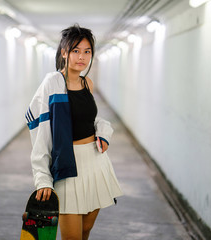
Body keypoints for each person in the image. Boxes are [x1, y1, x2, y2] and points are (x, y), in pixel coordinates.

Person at [25, 24, 123, 240]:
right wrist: (42, 178)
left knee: (85, 231)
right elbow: (40, 131)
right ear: (64, 52)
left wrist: (103, 133)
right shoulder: (52, 83)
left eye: (87, 51)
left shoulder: (87, 83)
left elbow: (90, 119)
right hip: (68, 167)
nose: (82, 57)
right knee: (72, 237)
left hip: (96, 163)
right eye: (76, 50)